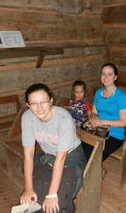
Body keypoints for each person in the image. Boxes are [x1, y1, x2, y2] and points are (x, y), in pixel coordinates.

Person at [20, 83, 86, 213]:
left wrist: (51, 195)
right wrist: (28, 189)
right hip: (49, 155)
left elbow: (61, 158)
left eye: (43, 101)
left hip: (70, 157)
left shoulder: (63, 118)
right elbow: (28, 155)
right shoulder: (27, 117)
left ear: (51, 101)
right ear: (28, 105)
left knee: (56, 204)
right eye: (33, 103)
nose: (39, 107)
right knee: (28, 203)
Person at [82, 63, 126, 162]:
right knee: (80, 150)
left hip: (114, 135)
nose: (105, 77)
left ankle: (96, 170)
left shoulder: (121, 96)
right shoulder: (98, 93)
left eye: (109, 74)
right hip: (97, 130)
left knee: (91, 157)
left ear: (115, 77)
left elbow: (124, 122)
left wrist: (102, 122)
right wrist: (94, 117)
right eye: (103, 74)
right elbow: (94, 112)